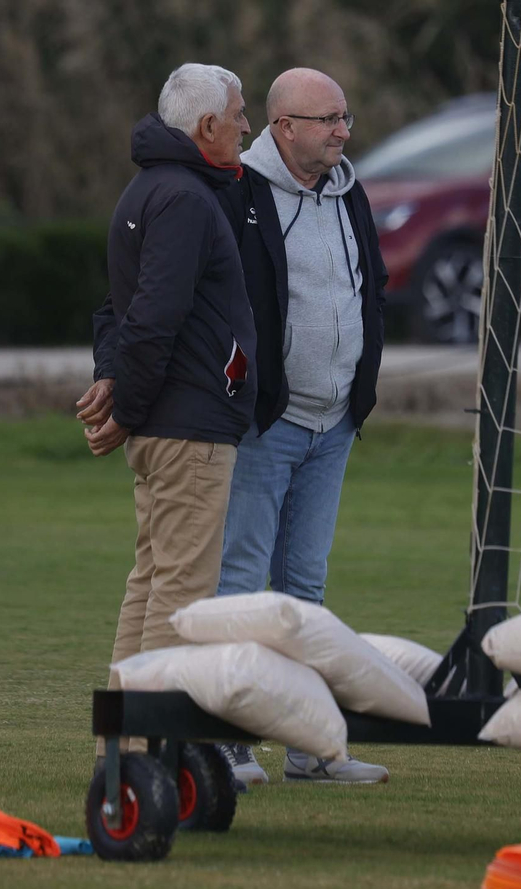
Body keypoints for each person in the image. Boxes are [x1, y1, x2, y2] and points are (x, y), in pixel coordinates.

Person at [208, 68, 390, 787]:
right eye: (328, 119)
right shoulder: (240, 195)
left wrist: (361, 385)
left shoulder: (351, 191)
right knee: (244, 586)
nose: (343, 131)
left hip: (334, 422)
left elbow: (368, 284)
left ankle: (308, 746)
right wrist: (246, 387)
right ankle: (227, 741)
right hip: (265, 424)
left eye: (345, 116)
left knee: (305, 591)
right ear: (284, 128)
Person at [78, 63, 255, 760]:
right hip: (185, 427)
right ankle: (147, 759)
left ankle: (120, 749)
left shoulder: (150, 187)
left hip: (167, 420)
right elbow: (149, 319)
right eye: (240, 114)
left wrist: (118, 385)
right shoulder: (184, 197)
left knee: (150, 584)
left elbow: (114, 312)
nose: (248, 125)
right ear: (206, 126)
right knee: (180, 594)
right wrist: (129, 403)